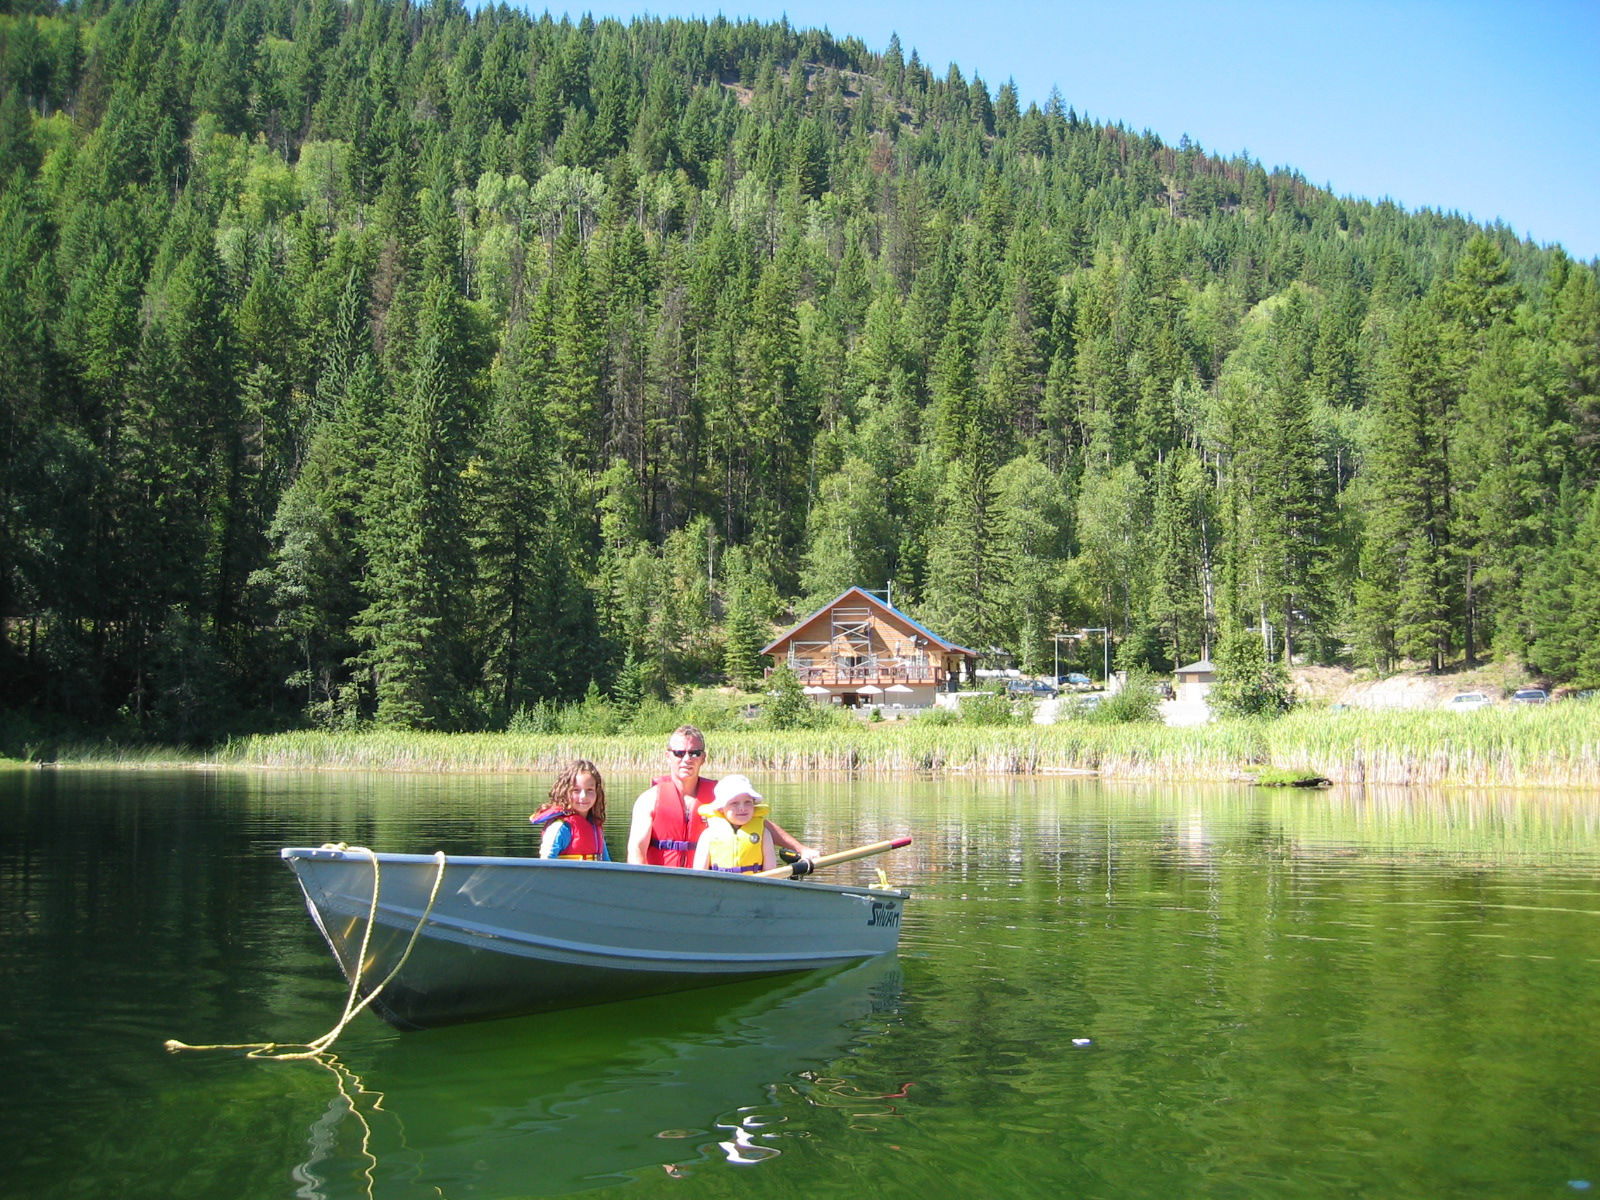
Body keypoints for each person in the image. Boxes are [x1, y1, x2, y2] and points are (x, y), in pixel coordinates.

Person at [626, 725, 816, 866]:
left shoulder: (721, 795)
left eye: (694, 753)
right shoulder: (649, 799)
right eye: (679, 753)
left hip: (708, 886)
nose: (686, 759)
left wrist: (801, 849)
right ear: (668, 756)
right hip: (663, 885)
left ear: (703, 758)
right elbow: (636, 849)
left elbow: (761, 824)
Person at [692, 774, 777, 873]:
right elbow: (699, 872)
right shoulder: (708, 835)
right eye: (734, 803)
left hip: (753, 886)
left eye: (747, 802)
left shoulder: (764, 833)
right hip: (718, 887)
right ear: (721, 808)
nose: (742, 808)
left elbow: (771, 872)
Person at [531, 759, 610, 860]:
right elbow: (545, 863)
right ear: (565, 792)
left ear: (597, 792)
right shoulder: (560, 828)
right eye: (576, 790)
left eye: (590, 790)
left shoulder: (595, 827)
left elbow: (608, 863)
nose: (583, 796)